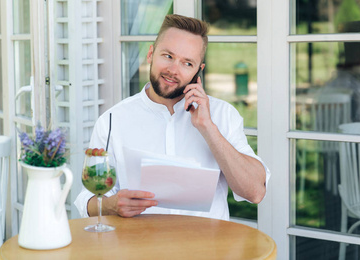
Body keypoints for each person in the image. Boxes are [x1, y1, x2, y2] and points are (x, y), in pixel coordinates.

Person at [74, 14, 270, 221]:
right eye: (168, 56)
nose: (173, 70)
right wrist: (112, 205)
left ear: (198, 71)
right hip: (139, 247)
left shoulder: (223, 115)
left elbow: (255, 192)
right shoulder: (112, 120)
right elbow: (87, 199)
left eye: (187, 63)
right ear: (151, 54)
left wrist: (208, 128)